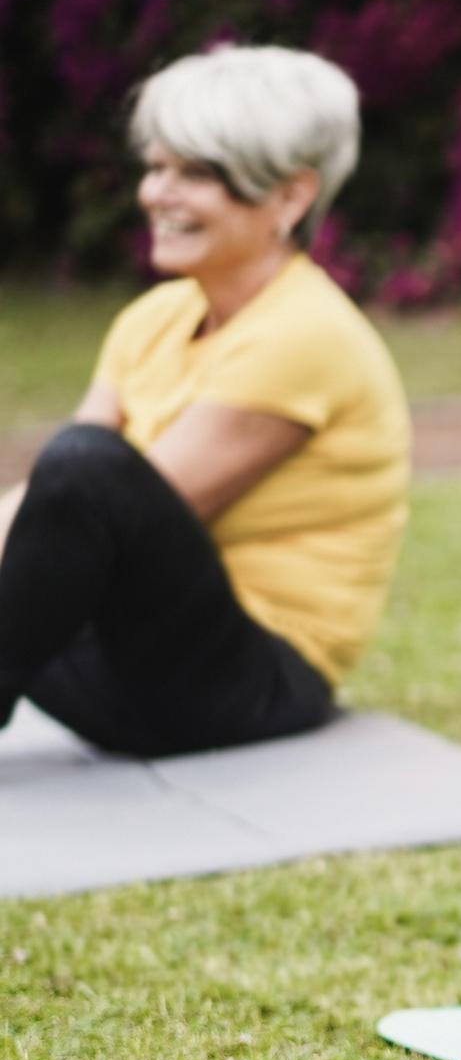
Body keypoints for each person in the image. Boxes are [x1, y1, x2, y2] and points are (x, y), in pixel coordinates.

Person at [0, 44, 409, 757]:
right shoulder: (153, 319)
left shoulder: (305, 334)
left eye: (195, 175)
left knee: (86, 465)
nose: (157, 194)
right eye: (156, 168)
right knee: (77, 472)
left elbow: (92, 505)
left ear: (289, 197)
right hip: (135, 658)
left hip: (251, 684)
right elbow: (46, 516)